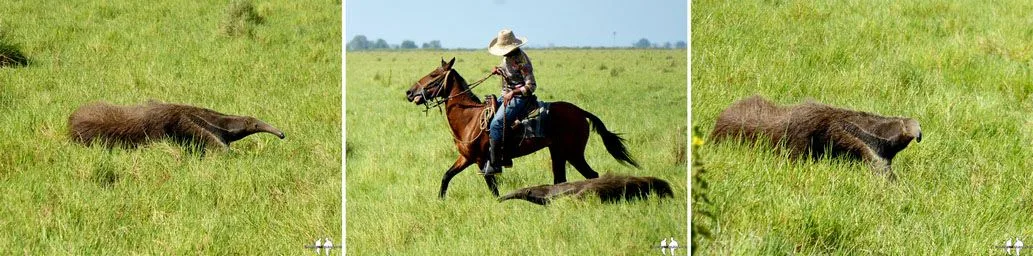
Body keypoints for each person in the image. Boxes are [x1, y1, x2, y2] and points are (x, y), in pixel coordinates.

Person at [483, 29, 537, 176]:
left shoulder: (522, 60)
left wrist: (513, 92)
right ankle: (502, 156)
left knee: (496, 124)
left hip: (520, 97)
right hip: (506, 95)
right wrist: (499, 70)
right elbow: (509, 71)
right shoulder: (507, 57)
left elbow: (531, 86)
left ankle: (496, 165)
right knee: (486, 115)